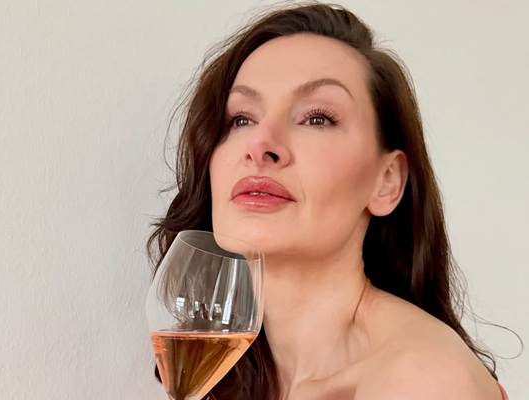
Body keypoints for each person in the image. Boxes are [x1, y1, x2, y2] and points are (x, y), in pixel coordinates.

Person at [147, 3, 508, 399]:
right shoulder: (231, 374)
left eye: (317, 118)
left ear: (386, 182)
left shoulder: (422, 380)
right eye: (241, 119)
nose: (259, 144)